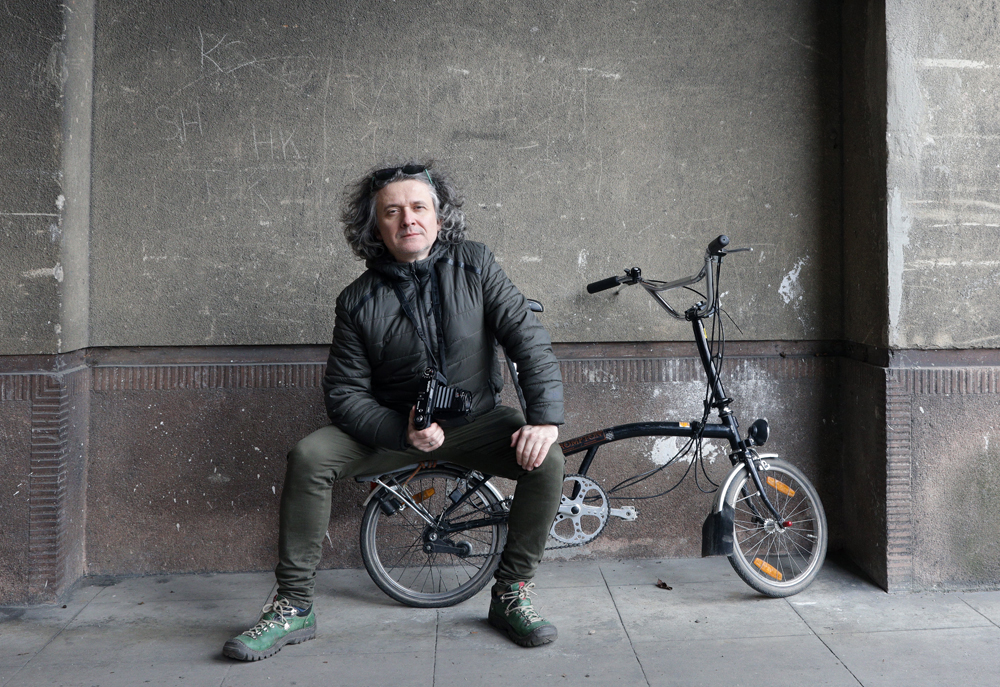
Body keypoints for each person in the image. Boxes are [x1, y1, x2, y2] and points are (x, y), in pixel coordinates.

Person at [223, 161, 566, 661]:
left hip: (478, 422)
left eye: (419, 207)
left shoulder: (476, 264)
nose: (409, 219)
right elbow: (344, 395)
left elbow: (527, 338)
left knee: (547, 461)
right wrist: (403, 431)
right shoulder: (357, 302)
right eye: (392, 211)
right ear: (375, 227)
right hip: (393, 429)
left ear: (439, 217)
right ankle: (294, 606)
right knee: (310, 456)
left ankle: (511, 591)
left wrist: (545, 418)